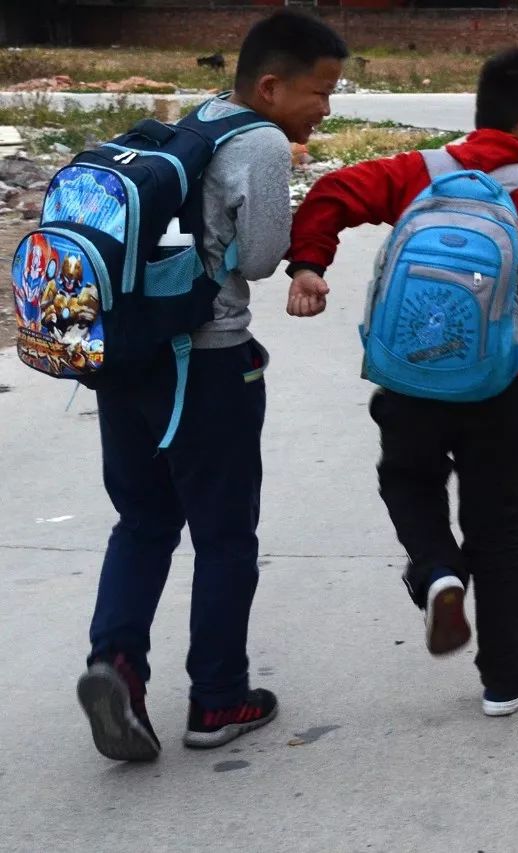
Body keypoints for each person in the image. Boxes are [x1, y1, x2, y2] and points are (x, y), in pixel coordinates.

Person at [284, 47, 518, 716]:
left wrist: (309, 263)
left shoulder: (417, 172)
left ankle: (436, 571)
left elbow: (331, 194)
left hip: (410, 380)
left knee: (407, 479)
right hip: (501, 389)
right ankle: (508, 676)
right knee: (499, 523)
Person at [76, 10, 348, 761]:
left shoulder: (204, 119)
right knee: (225, 535)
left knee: (142, 520)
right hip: (209, 360)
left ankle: (117, 664)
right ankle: (219, 696)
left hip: (125, 356)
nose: (327, 107)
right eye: (320, 92)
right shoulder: (261, 140)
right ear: (270, 86)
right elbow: (259, 257)